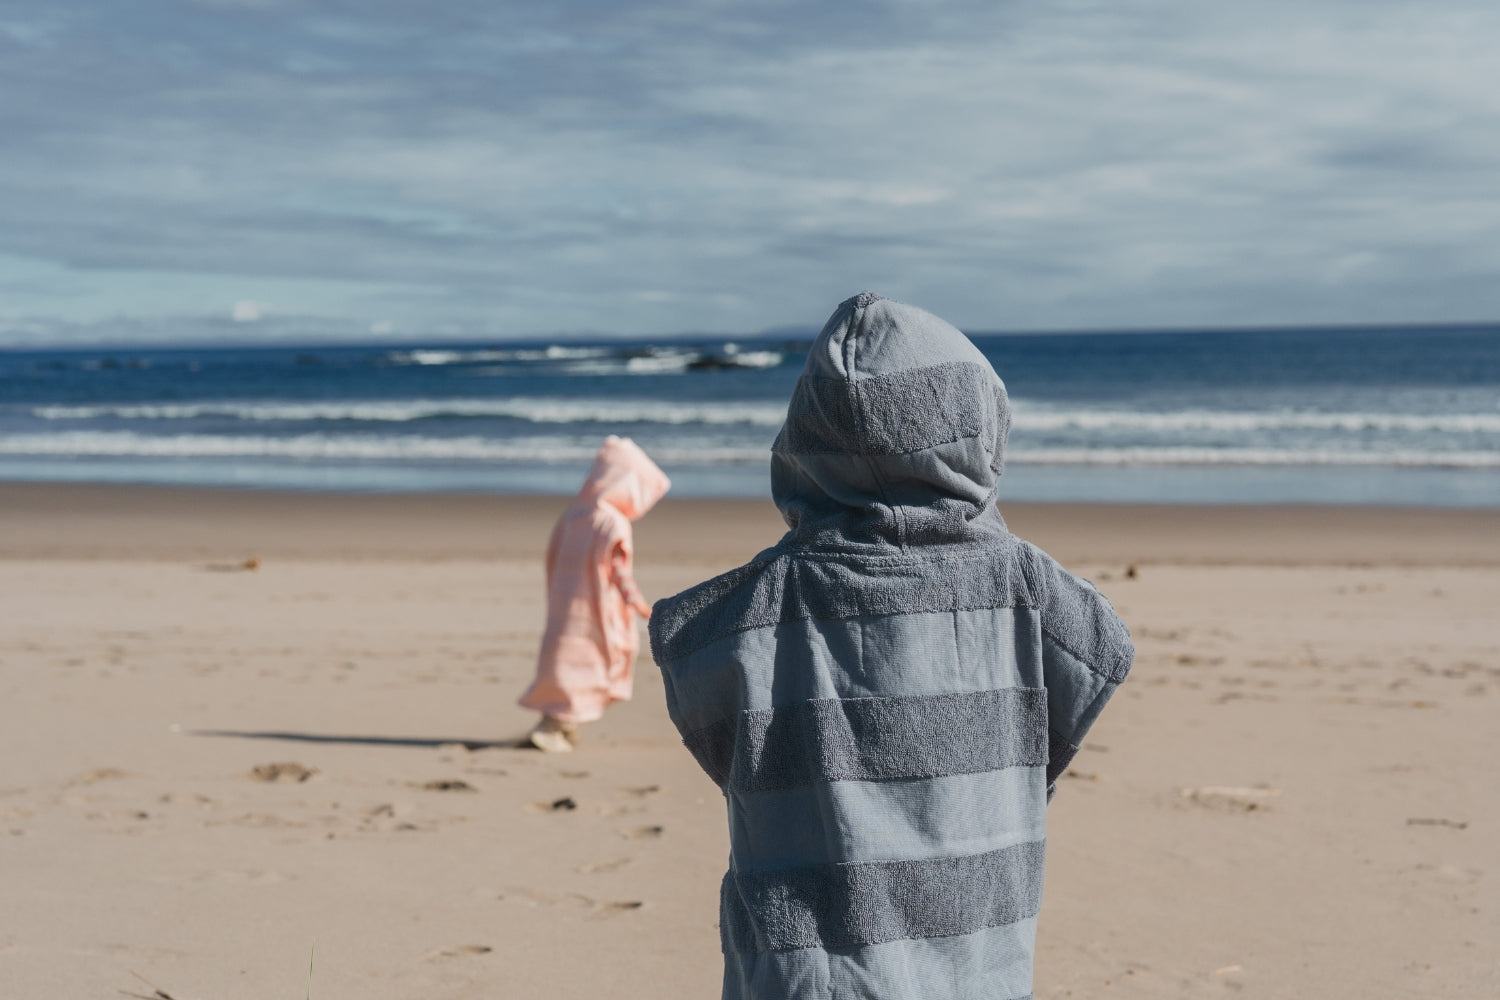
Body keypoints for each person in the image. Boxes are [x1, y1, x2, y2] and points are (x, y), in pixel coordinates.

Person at [648, 292, 1134, 999]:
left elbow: (719, 733)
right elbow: (1093, 670)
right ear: (980, 427)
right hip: (977, 967)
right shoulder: (1030, 591)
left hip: (805, 978)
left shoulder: (739, 614)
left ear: (803, 440)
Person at [519, 435, 669, 752]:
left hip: (564, 608)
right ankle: (554, 727)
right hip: (597, 610)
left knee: (561, 662)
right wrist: (638, 603)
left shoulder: (574, 516)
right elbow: (618, 570)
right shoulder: (611, 523)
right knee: (591, 662)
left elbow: (553, 557)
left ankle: (559, 723)